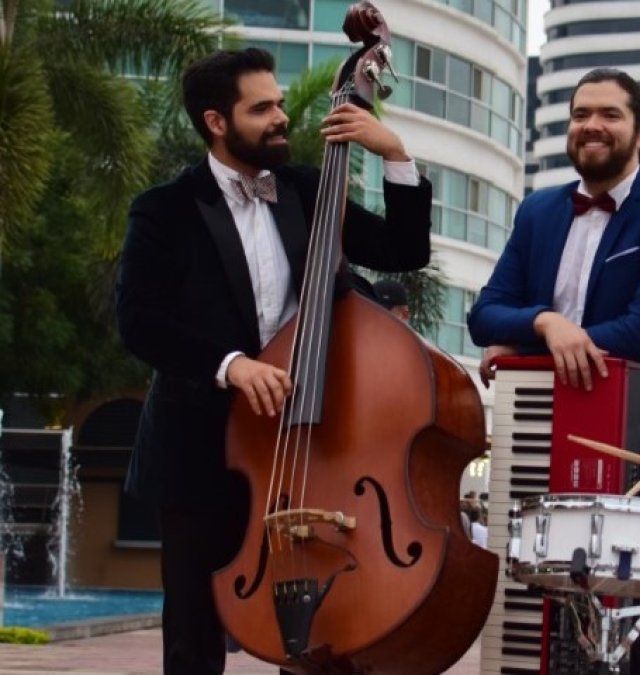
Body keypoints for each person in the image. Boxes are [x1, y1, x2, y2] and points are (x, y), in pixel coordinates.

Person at [115, 47, 432, 675]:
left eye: (280, 102)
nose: (281, 116)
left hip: (311, 447)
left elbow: (404, 251)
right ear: (216, 121)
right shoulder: (165, 209)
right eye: (262, 108)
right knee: (192, 637)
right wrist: (232, 364)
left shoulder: (308, 188)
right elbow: (139, 321)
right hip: (200, 449)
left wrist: (395, 154)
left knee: (326, 632)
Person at [467, 67, 640, 673]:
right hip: (542, 431)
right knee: (540, 601)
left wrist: (523, 350)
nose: (591, 126)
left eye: (609, 115)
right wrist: (547, 324)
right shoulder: (538, 211)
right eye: (581, 115)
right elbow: (484, 315)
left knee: (626, 622)